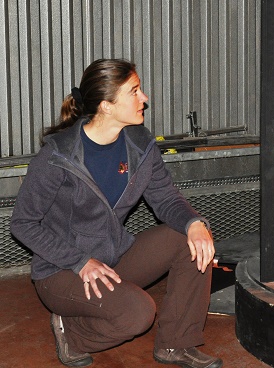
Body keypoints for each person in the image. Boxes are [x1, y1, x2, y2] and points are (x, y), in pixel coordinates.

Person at [10, 58, 223, 368]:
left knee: (189, 238)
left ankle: (177, 344)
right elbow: (23, 224)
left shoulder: (140, 144)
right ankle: (71, 331)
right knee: (138, 313)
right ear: (107, 106)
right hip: (62, 271)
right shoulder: (57, 156)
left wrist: (193, 223)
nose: (145, 98)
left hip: (114, 257)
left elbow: (165, 198)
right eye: (134, 91)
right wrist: (79, 261)